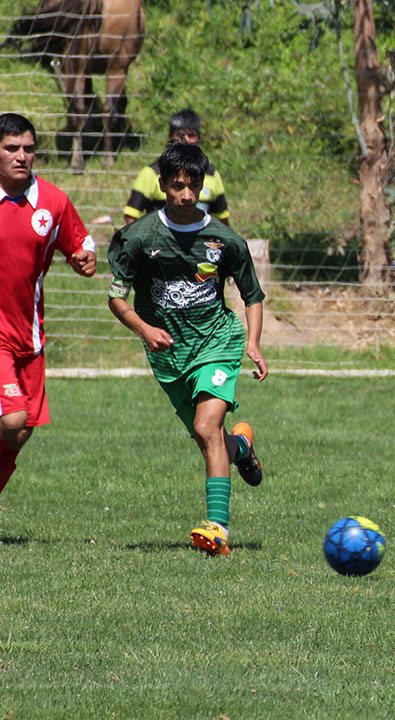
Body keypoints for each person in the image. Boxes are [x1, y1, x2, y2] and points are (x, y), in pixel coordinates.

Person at [107, 142, 265, 556]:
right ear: (161, 185)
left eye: (193, 185)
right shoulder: (139, 237)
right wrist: (144, 329)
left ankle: (217, 530)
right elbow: (116, 298)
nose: (186, 195)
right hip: (168, 354)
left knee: (205, 428)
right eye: (177, 185)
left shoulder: (223, 240)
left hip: (217, 340)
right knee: (210, 439)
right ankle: (242, 447)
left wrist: (252, 341)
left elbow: (252, 294)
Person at [0, 113, 98, 498]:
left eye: (28, 149)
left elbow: (81, 243)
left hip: (30, 333)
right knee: (13, 419)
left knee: (21, 433)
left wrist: (86, 258)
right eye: (11, 148)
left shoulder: (52, 202)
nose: (21, 156)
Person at [123, 109, 230, 227]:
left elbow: (222, 221)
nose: (186, 140)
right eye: (180, 135)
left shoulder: (211, 174)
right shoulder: (151, 173)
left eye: (191, 135)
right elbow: (131, 216)